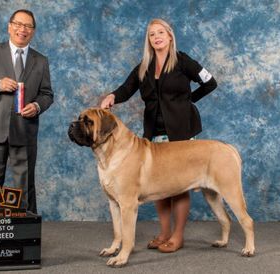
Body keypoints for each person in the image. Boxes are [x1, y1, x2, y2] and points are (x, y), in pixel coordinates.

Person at [100, 18, 217, 253]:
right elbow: (127, 88)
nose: (157, 37)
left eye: (161, 32)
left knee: (181, 185)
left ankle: (177, 236)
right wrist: (112, 96)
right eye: (152, 34)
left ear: (170, 35)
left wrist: (188, 102)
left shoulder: (183, 61)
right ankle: (164, 233)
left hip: (181, 132)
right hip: (155, 132)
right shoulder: (144, 65)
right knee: (159, 187)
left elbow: (210, 82)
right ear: (149, 40)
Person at [0, 9, 53, 214]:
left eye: (28, 26)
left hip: (25, 131)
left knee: (24, 187)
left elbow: (47, 94)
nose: (22, 29)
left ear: (33, 32)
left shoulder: (41, 60)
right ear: (9, 26)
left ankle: (25, 235)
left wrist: (37, 106)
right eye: (18, 24)